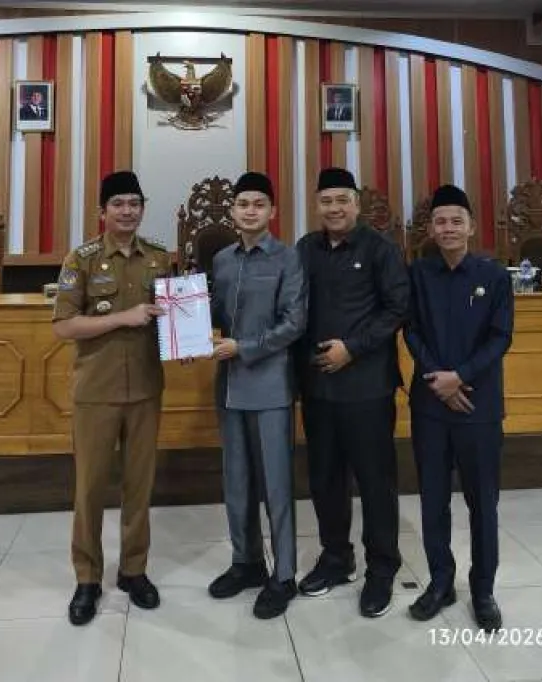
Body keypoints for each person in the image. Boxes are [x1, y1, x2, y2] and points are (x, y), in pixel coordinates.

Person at [53, 170, 171, 626]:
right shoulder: (80, 259)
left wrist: (184, 339)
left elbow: (170, 318)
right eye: (118, 203)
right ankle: (87, 578)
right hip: (96, 392)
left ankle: (133, 571)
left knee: (139, 487)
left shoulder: (159, 257)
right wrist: (123, 318)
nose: (127, 211)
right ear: (102, 211)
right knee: (90, 488)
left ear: (143, 208)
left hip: (144, 388)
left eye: (134, 203)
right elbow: (65, 326)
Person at [295, 167, 409, 618]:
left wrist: (352, 348)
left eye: (342, 199)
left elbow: (397, 308)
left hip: (367, 387)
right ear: (316, 205)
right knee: (325, 479)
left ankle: (382, 568)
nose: (334, 208)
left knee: (375, 481)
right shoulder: (306, 248)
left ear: (357, 204)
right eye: (326, 201)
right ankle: (336, 558)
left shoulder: (381, 249)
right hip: (318, 388)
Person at [404, 184, 514, 633]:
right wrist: (439, 379)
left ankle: (483, 590)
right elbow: (411, 331)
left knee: (482, 503)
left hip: (478, 407)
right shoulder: (418, 273)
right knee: (433, 500)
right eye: (440, 221)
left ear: (471, 227)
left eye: (456, 221)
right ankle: (440, 582)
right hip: (431, 405)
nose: (448, 228)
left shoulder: (494, 275)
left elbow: (500, 337)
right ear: (430, 229)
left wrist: (460, 376)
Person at [208, 171, 307, 619]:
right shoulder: (222, 260)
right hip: (228, 387)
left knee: (276, 485)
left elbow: (294, 322)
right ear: (232, 211)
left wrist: (243, 348)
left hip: (270, 387)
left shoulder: (288, 258)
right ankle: (246, 562)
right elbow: (211, 312)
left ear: (272, 211)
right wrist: (180, 318)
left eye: (258, 204)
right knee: (237, 482)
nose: (250, 211)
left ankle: (283, 574)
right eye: (243, 204)